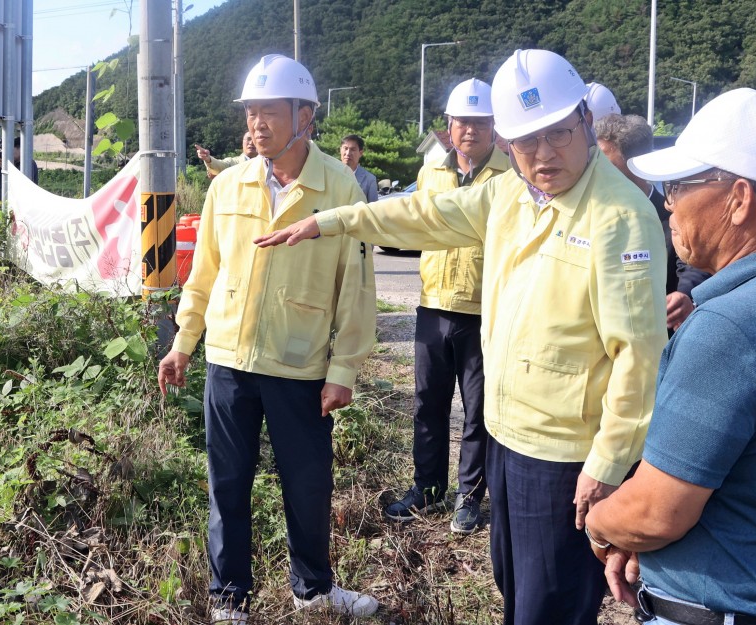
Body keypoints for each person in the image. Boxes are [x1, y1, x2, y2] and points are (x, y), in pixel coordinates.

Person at [255, 49, 667, 625]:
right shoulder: (509, 195)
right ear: (507, 143)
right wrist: (330, 220)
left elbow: (638, 357)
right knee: (513, 585)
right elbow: (422, 215)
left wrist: (607, 462)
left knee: (551, 602)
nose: (545, 154)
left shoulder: (619, 215)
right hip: (507, 435)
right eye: (526, 142)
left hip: (565, 455)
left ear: (584, 122)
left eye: (559, 134)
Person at [585, 87, 756, 624]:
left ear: (739, 199)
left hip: (724, 605)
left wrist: (603, 524)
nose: (668, 204)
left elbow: (655, 511)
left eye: (678, 186)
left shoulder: (731, 328)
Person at [156, 54, 378, 624]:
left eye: (270, 112)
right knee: (226, 482)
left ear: (306, 116)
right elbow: (203, 272)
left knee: (307, 485)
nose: (257, 124)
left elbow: (354, 286)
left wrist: (344, 368)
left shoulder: (340, 185)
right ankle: (229, 598)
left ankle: (313, 590)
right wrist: (185, 341)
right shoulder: (228, 186)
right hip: (229, 358)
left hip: (300, 364)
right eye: (252, 112)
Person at [382, 78, 509, 535]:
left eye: (479, 122)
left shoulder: (510, 178)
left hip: (484, 312)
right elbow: (414, 226)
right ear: (449, 127)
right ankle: (427, 490)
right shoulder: (430, 174)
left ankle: (469, 498)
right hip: (432, 307)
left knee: (478, 411)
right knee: (427, 405)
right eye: (462, 122)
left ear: (494, 127)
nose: (470, 130)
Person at [595, 113, 710, 332]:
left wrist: (683, 295)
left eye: (607, 165)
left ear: (637, 163)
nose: (597, 172)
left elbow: (693, 264)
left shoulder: (673, 215)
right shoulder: (588, 210)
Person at [338, 134, 379, 202]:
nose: (348, 153)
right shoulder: (330, 173)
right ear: (340, 150)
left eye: (352, 149)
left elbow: (372, 209)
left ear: (361, 153)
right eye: (345, 148)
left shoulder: (370, 180)